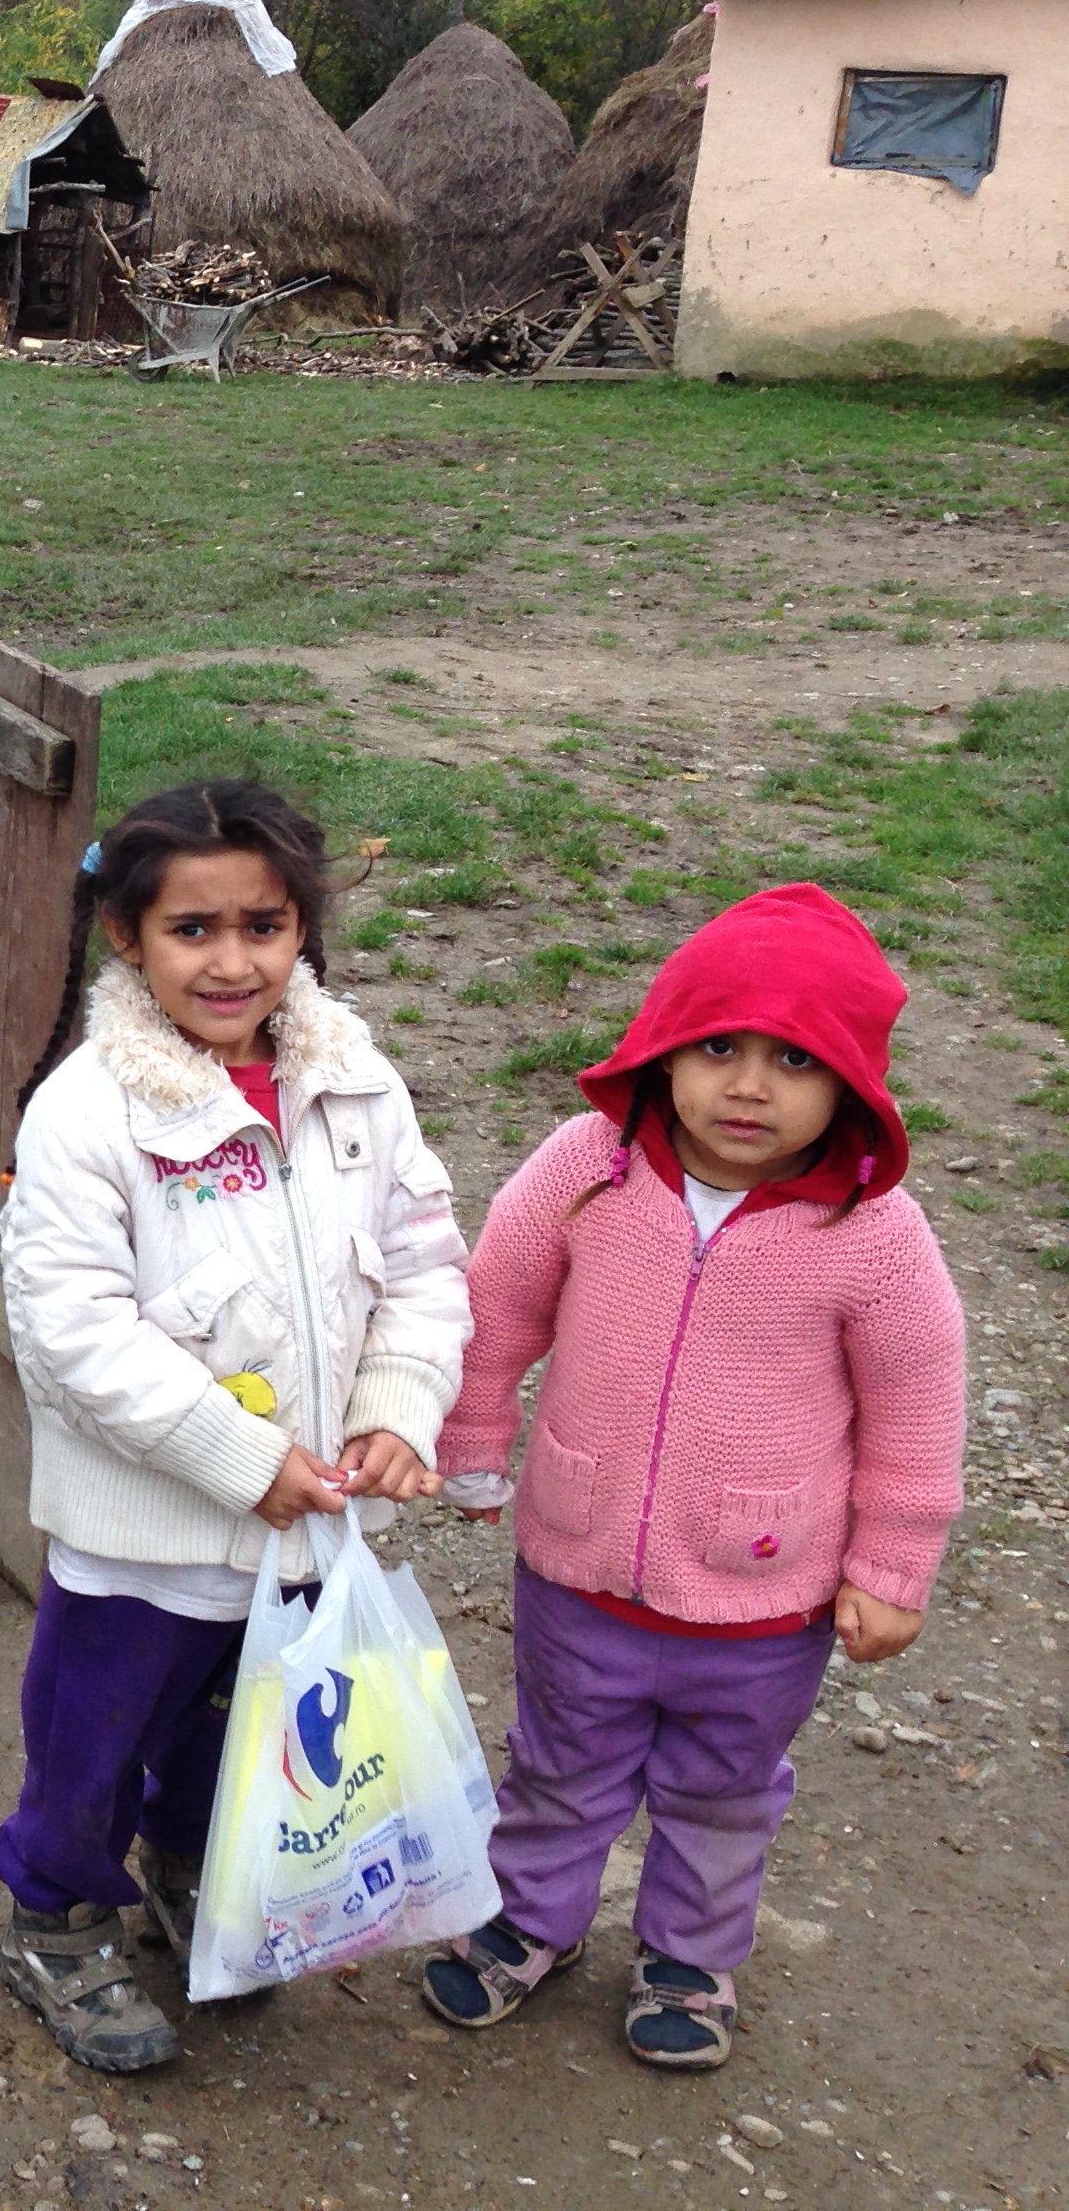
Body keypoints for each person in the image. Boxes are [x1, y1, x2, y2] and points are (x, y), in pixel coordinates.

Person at [424, 883, 963, 2070]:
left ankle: (689, 1954)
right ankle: (532, 1916)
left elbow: (916, 1408)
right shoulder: (588, 1166)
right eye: (719, 1048)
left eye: (796, 1060)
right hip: (577, 1566)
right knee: (559, 1762)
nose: (750, 1087)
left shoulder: (872, 1232)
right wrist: (472, 1439)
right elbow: (498, 1305)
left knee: (724, 1791)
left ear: (853, 1085)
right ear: (663, 1051)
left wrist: (892, 1566)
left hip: (764, 1603)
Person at [0, 780, 470, 2071]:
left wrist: (396, 1406)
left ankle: (197, 1863)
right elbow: (73, 1330)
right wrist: (242, 1461)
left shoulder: (354, 1082)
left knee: (248, 1729)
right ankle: (55, 1917)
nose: (232, 962)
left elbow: (423, 1263)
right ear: (126, 935)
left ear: (301, 928)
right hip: (144, 1544)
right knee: (94, 1739)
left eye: (264, 926)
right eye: (192, 929)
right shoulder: (90, 1112)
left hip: (305, 1534)